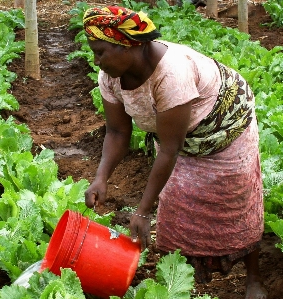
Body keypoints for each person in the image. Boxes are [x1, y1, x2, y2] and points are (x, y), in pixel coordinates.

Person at [82, 6, 267, 299]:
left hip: (226, 128)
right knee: (177, 209)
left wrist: (142, 211)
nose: (96, 61)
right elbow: (117, 132)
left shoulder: (171, 73)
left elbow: (169, 149)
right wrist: (101, 177)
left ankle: (253, 278)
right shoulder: (110, 78)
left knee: (236, 203)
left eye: (101, 52)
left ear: (130, 44)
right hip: (177, 136)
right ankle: (178, 281)